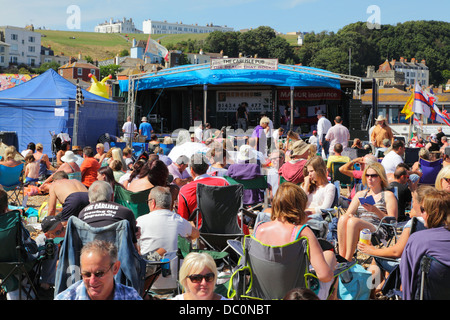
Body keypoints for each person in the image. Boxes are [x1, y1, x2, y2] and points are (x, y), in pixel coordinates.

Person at [253, 182, 337, 300]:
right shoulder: (303, 232)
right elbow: (324, 276)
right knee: (329, 255)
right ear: (299, 206)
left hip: (261, 295)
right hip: (296, 296)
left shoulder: (259, 229)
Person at [357, 185, 432, 295]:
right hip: (429, 268)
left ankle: (368, 292)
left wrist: (371, 250)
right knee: (380, 256)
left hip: (410, 268)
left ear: (420, 204)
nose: (412, 204)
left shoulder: (415, 223)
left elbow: (396, 252)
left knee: (377, 258)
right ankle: (381, 286)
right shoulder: (439, 223)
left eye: (413, 201)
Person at [137, 186, 199, 294]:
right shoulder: (180, 221)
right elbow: (196, 234)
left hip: (148, 285)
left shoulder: (140, 222)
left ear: (153, 202)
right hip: (177, 284)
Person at [337, 162, 398, 262]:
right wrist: (350, 215)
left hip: (378, 230)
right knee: (344, 218)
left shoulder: (388, 195)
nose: (369, 178)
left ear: (381, 177)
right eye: (367, 175)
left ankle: (347, 260)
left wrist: (375, 210)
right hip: (358, 228)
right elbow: (348, 213)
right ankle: (341, 258)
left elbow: (393, 222)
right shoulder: (360, 194)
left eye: (373, 176)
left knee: (354, 222)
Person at [400, 189, 450, 300]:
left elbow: (407, 281)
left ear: (434, 213)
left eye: (423, 210)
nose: (421, 214)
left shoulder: (418, 240)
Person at [54, 240, 142, 300]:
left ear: (115, 268)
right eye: (87, 274)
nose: (92, 281)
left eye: (99, 274)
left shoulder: (130, 296)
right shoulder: (67, 297)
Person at [78, 180, 138, 245]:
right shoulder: (125, 212)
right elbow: (133, 244)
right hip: (117, 253)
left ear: (89, 199)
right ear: (112, 196)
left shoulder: (82, 214)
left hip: (89, 251)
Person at [177, 153, 229, 222]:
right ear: (207, 167)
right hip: (227, 228)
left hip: (201, 230)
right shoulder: (223, 182)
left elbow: (182, 219)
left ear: (191, 170)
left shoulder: (185, 190)